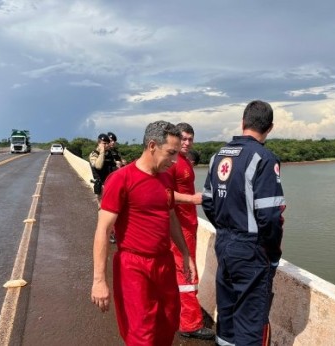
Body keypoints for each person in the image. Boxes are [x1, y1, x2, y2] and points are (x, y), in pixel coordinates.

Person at [91, 120, 197, 346]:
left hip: (164, 262)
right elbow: (103, 230)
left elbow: (170, 219)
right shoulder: (121, 179)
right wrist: (99, 280)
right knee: (141, 334)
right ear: (152, 146)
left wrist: (186, 255)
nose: (174, 160)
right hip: (134, 266)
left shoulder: (166, 178)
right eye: (170, 153)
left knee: (167, 325)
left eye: (177, 154)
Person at [202, 100, 286, 346]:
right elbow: (270, 216)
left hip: (225, 243)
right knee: (250, 323)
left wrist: (225, 229)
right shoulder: (264, 158)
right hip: (250, 251)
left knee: (226, 316)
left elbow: (208, 202)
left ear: (243, 122)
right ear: (270, 128)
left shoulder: (218, 156)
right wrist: (271, 254)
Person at [166, 123, 215, 340]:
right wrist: (192, 199)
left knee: (184, 270)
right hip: (180, 226)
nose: (187, 143)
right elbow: (163, 193)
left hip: (189, 224)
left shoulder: (184, 160)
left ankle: (181, 315)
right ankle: (190, 323)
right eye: (183, 139)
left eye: (190, 139)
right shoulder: (172, 162)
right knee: (185, 272)